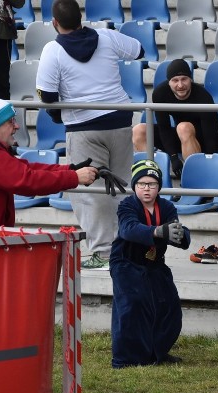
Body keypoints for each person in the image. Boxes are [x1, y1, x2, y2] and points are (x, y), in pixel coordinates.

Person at [36, 0, 144, 271]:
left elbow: (47, 96)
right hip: (120, 120)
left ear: (54, 23)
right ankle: (128, 247)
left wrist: (59, 116)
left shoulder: (53, 49)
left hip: (83, 126)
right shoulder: (105, 36)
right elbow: (140, 50)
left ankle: (105, 252)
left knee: (89, 193)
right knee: (121, 186)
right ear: (81, 18)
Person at [0, 90, 98, 226]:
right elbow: (27, 179)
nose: (17, 126)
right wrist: (74, 177)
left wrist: (70, 169)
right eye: (11, 121)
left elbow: (25, 168)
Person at [110, 160, 191, 369]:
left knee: (169, 305)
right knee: (132, 306)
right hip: (126, 262)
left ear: (159, 187)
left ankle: (157, 352)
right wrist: (156, 231)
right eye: (142, 184)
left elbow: (177, 230)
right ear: (135, 186)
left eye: (152, 184)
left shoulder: (166, 206)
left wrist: (182, 236)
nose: (147, 188)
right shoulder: (127, 205)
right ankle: (125, 359)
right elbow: (128, 229)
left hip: (154, 262)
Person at [132, 59, 218, 179]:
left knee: (183, 127)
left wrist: (210, 161)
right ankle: (152, 178)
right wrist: (174, 157)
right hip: (181, 136)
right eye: (175, 80)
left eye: (184, 79)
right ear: (169, 82)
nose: (180, 85)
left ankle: (195, 180)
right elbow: (164, 128)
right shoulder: (160, 93)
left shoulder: (203, 96)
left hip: (206, 138)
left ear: (190, 79)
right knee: (139, 130)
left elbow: (211, 134)